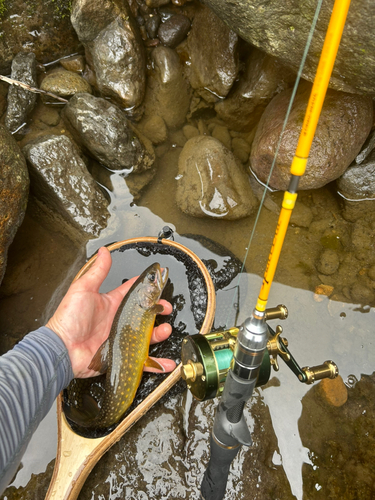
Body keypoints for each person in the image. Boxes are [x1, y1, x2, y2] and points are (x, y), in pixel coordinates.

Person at [0, 247, 176, 493]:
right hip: (111, 399)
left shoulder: (144, 304)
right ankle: (100, 419)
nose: (155, 277)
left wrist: (58, 344)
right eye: (151, 280)